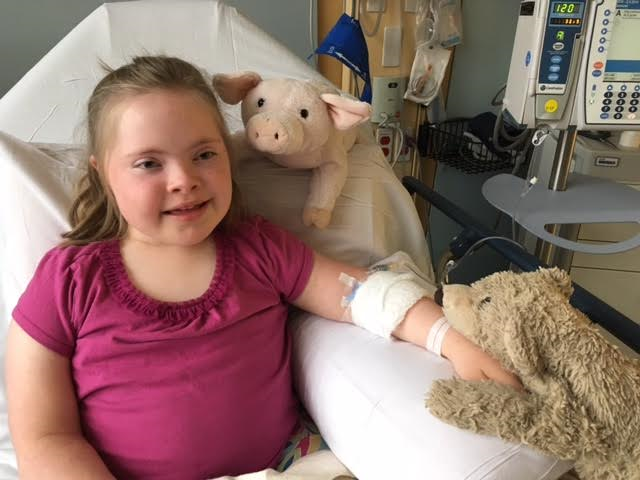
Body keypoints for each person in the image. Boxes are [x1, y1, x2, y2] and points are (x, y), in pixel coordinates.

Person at [5, 56, 522, 480]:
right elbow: (45, 437)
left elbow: (359, 293)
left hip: (283, 466)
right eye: (149, 163)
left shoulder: (256, 250)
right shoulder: (68, 280)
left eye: (204, 154)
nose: (184, 179)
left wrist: (448, 341)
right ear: (103, 174)